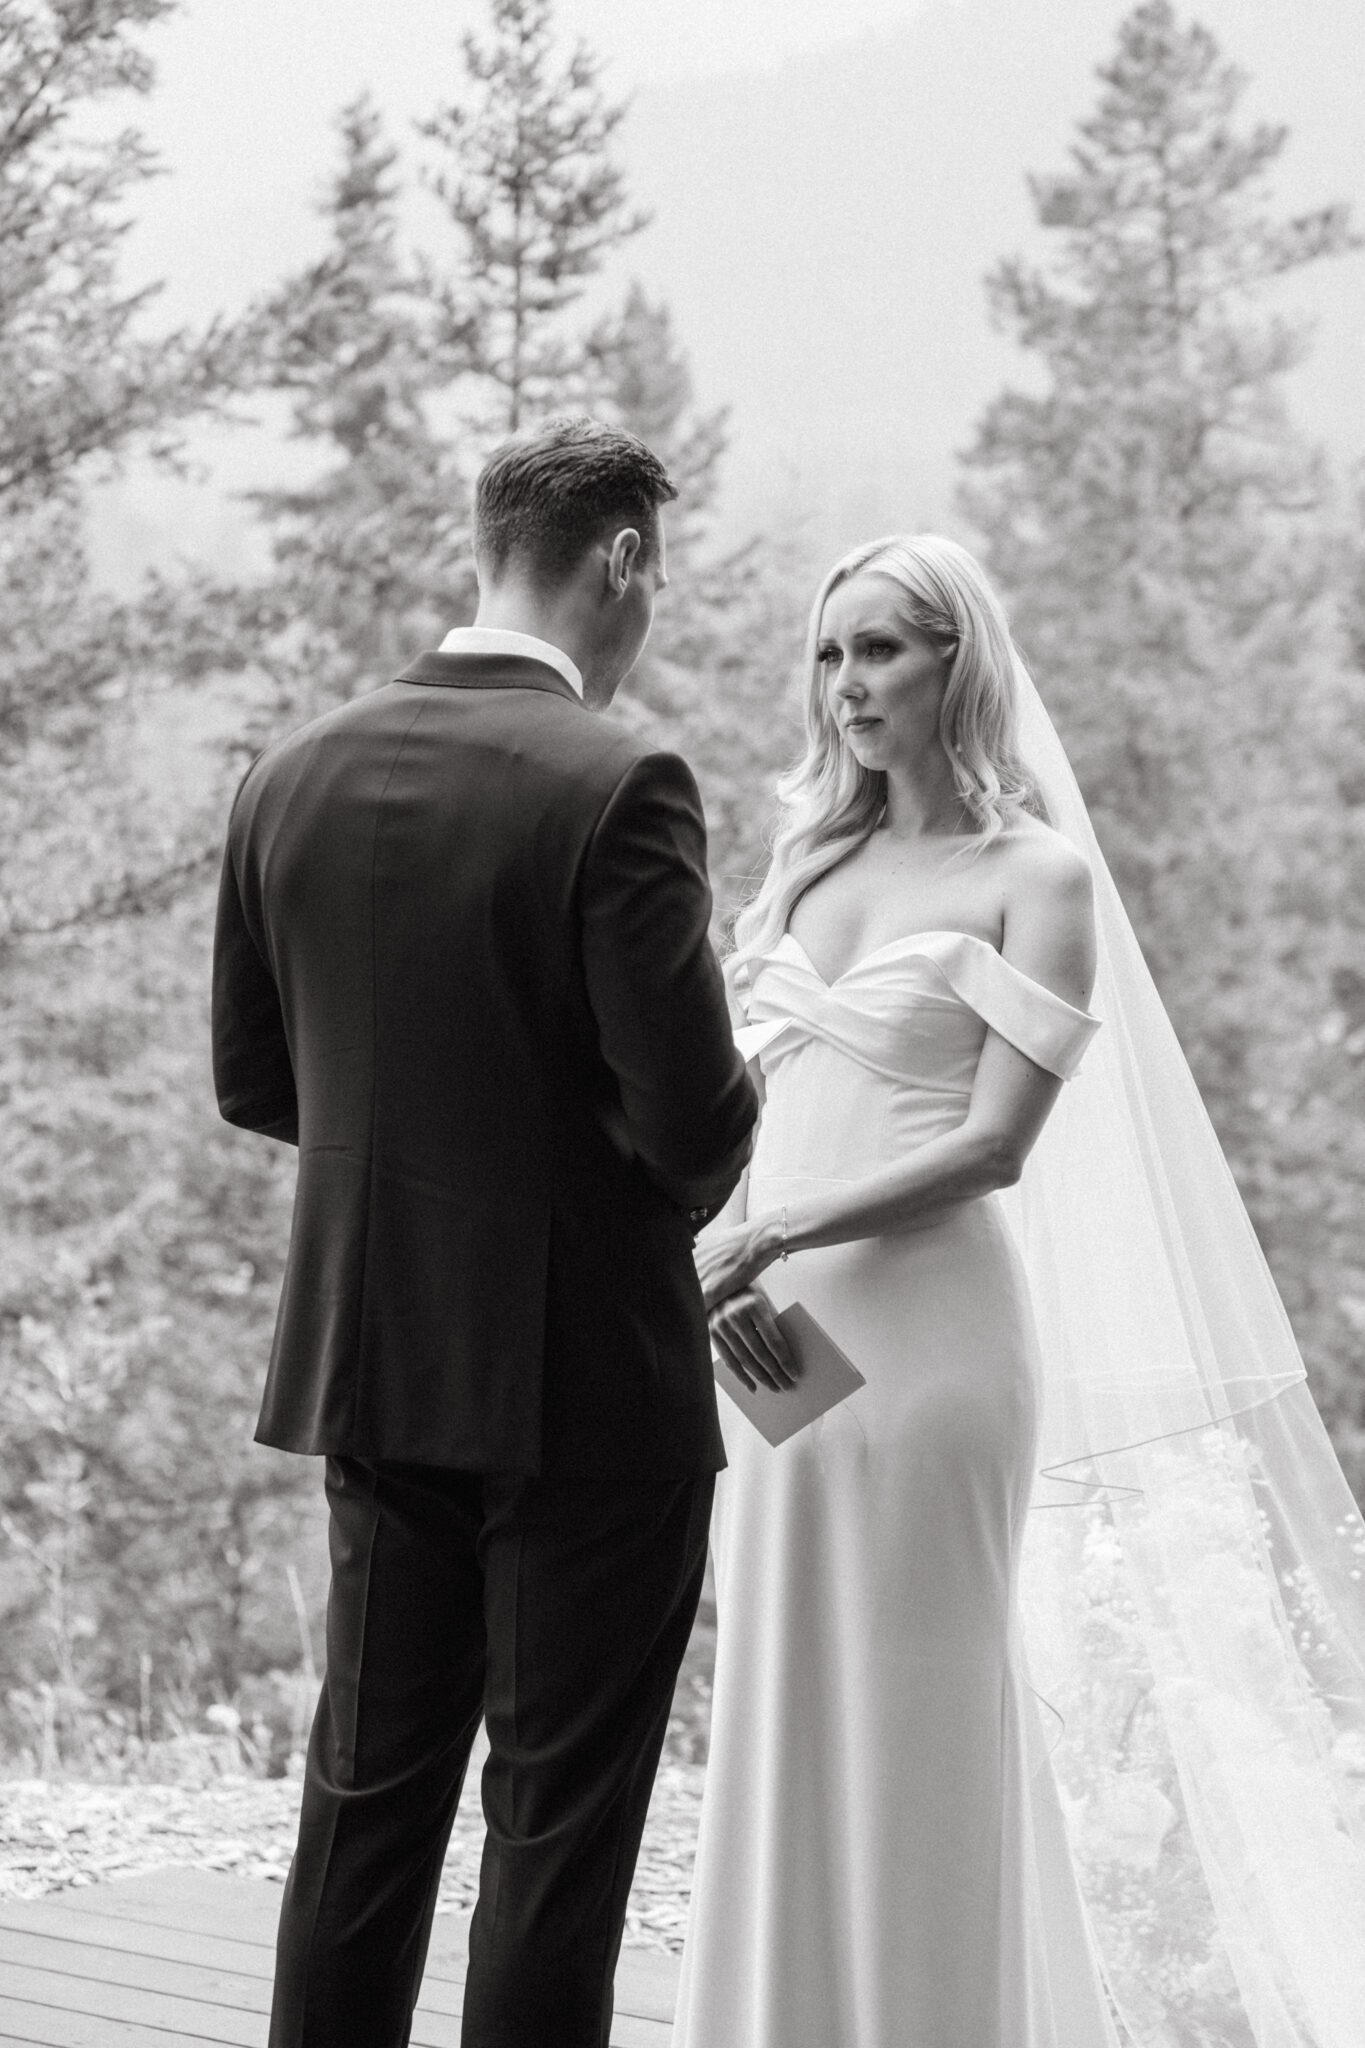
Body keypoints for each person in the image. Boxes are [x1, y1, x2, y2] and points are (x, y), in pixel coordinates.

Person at [674, 533, 1365, 2047]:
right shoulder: (808, 862)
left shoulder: (1031, 877)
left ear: (956, 663)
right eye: (830, 653)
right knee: (783, 1683)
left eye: (883, 650)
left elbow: (989, 1145)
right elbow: (752, 1093)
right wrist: (718, 1250)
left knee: (920, 1705)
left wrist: (768, 1228)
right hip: (767, 1334)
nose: (849, 685)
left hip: (931, 1344)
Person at [210, 414, 757, 2048]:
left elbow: (257, 1082)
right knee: (555, 1833)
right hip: (588, 1383)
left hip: (375, 1365)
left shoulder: (287, 772)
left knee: (364, 1808)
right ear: (622, 559)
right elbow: (691, 1138)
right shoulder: (620, 778)